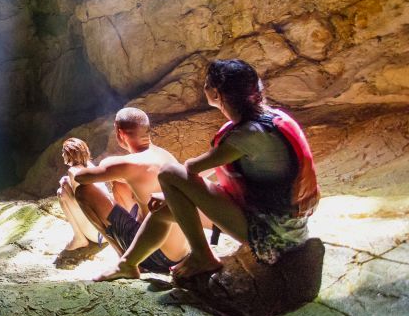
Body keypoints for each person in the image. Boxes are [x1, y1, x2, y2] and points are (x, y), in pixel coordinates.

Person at [94, 59, 319, 281]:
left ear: (215, 94)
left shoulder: (249, 134)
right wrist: (169, 196)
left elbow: (192, 168)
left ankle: (203, 256)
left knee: (169, 174)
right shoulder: (273, 119)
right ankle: (128, 264)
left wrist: (172, 189)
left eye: (206, 84)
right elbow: (210, 173)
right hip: (284, 226)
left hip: (272, 237)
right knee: (165, 210)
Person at [64, 108, 189, 274]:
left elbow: (81, 178)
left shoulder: (125, 163)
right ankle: (132, 249)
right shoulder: (164, 155)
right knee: (121, 184)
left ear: (119, 132)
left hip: (158, 257)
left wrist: (78, 165)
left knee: (83, 192)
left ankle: (125, 259)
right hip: (182, 250)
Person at [55, 138, 107, 266]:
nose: (62, 155)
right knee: (65, 184)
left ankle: (79, 238)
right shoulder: (91, 166)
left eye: (63, 152)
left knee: (61, 193)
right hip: (108, 230)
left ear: (69, 154)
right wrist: (66, 182)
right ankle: (80, 236)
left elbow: (81, 201)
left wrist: (65, 186)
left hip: (98, 234)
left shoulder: (73, 172)